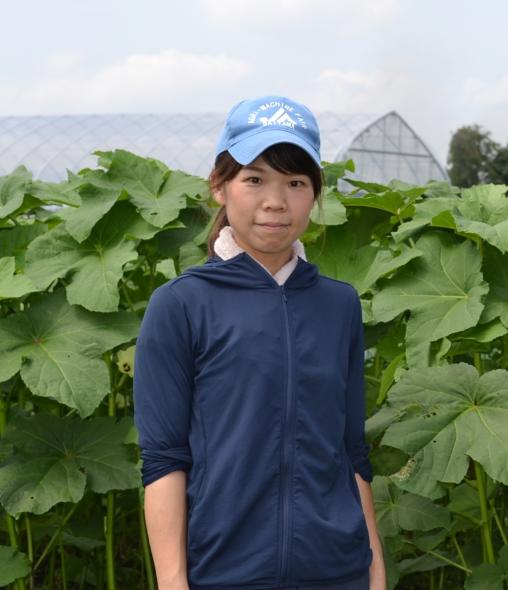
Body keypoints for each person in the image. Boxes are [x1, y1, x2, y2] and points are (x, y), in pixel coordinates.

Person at [133, 96, 386, 590]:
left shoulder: (340, 306)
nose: (276, 201)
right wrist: (172, 583)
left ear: (315, 195)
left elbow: (352, 452)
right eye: (254, 179)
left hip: (338, 571)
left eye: (295, 183)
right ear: (219, 188)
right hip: (224, 574)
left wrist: (375, 573)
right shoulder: (180, 305)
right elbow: (163, 461)